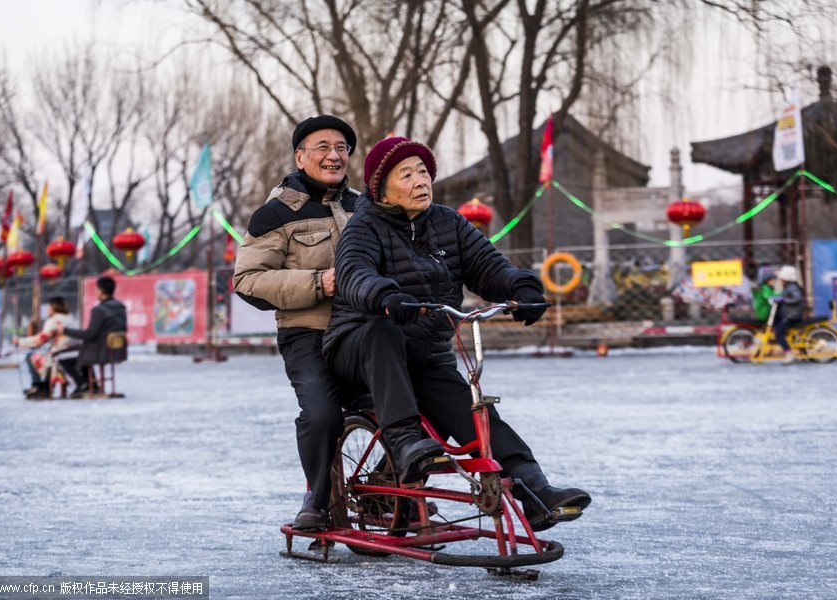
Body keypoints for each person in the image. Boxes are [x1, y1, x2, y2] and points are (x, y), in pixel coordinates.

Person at [322, 136, 591, 532]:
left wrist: (521, 288)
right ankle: (404, 440)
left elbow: (488, 266)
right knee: (381, 329)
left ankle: (534, 491)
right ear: (381, 187)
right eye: (407, 174)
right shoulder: (364, 227)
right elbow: (353, 274)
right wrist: (385, 295)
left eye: (424, 172)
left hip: (426, 355)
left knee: (473, 413)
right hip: (360, 349)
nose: (421, 181)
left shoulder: (447, 222)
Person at [233, 115, 361, 531]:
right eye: (322, 147)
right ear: (300, 156)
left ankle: (386, 488)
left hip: (365, 331)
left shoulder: (365, 207)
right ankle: (317, 497)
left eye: (341, 147)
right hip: (307, 332)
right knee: (323, 415)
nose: (333, 155)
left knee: (407, 406)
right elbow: (247, 281)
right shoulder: (273, 215)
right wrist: (318, 282)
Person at [62, 275, 128, 397]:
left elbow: (90, 334)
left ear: (101, 291)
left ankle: (82, 385)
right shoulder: (121, 307)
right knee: (78, 353)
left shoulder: (99, 310)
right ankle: (92, 385)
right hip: (117, 350)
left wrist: (66, 331)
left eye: (97, 289)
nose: (96, 292)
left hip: (101, 351)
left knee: (63, 357)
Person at [12, 297, 81, 399]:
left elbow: (39, 340)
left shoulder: (54, 321)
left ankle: (39, 386)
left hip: (59, 355)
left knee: (31, 356)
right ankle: (43, 386)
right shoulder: (71, 318)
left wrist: (20, 341)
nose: (48, 310)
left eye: (49, 307)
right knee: (44, 355)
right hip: (74, 353)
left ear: (53, 307)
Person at [772, 265, 805, 365]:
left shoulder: (792, 287)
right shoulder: (789, 287)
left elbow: (798, 298)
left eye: (781, 278)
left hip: (792, 316)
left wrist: (784, 300)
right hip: (789, 314)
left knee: (779, 333)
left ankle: (789, 353)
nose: (780, 280)